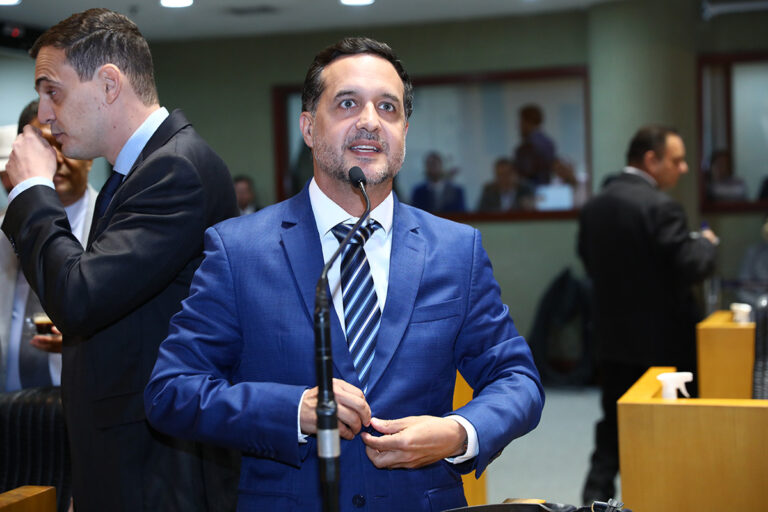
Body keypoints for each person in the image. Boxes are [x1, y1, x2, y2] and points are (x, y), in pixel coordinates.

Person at [145, 37, 544, 511]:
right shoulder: (239, 249)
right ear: (308, 128)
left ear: (404, 131)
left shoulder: (456, 250)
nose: (370, 121)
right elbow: (172, 390)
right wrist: (292, 410)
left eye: (388, 107)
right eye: (348, 103)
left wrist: (459, 432)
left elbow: (516, 378)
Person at [1, 9, 239, 512]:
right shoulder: (139, 170)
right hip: (126, 460)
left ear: (109, 84)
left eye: (53, 91)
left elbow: (79, 298)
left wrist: (31, 189)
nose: (44, 114)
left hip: (158, 470)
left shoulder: (174, 168)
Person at [577, 125, 718, 503]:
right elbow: (691, 266)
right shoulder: (662, 207)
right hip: (665, 343)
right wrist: (706, 244)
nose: (684, 168)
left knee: (613, 426)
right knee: (671, 428)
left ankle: (594, 500)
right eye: (677, 160)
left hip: (613, 338)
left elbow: (589, 263)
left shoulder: (594, 206)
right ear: (651, 160)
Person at [1, 100, 95, 391]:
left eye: (63, 143)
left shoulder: (115, 227)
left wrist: (82, 340)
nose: (54, 159)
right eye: (42, 147)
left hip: (84, 402)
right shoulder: (6, 228)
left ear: (90, 157)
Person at [514, 104, 557, 185]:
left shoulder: (528, 146)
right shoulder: (549, 142)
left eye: (521, 121)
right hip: (544, 186)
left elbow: (526, 171)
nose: (519, 126)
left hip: (532, 188)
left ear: (528, 122)